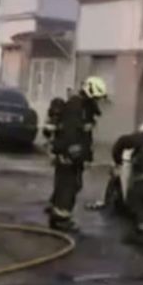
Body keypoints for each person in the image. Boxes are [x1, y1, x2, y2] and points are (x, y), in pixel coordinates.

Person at [47, 76, 107, 232]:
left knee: (70, 185)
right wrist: (72, 154)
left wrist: (87, 157)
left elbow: (85, 136)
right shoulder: (76, 107)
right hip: (70, 155)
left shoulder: (85, 108)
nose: (98, 101)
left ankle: (56, 211)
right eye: (97, 97)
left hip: (75, 155)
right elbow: (71, 133)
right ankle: (60, 219)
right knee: (68, 186)